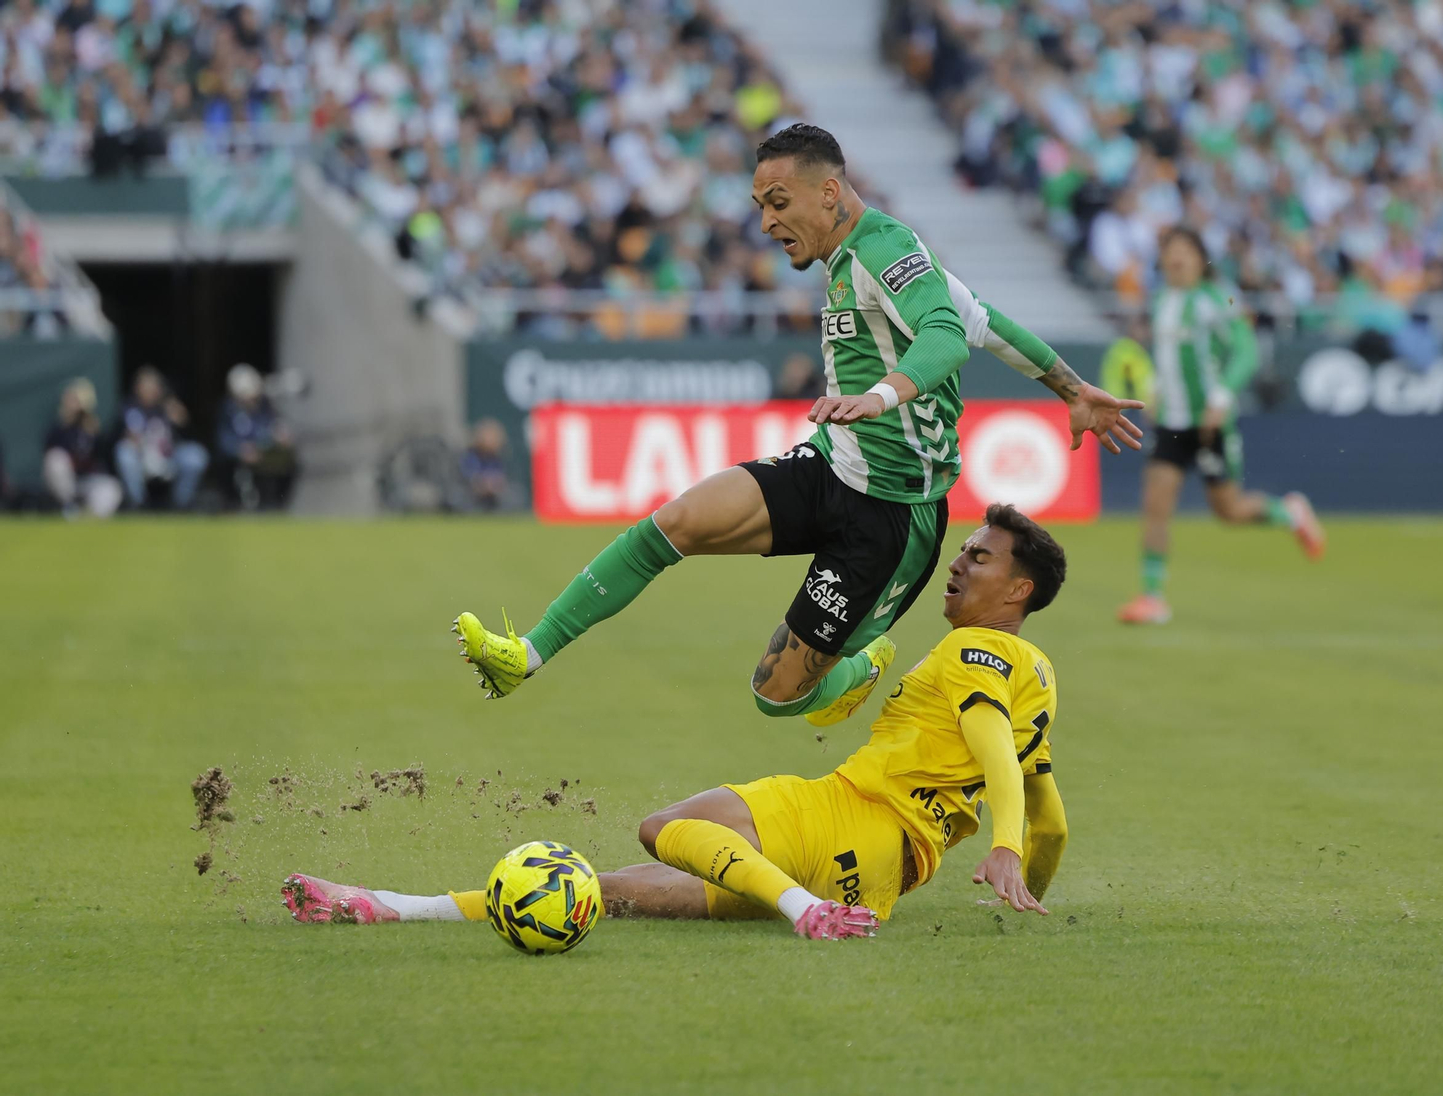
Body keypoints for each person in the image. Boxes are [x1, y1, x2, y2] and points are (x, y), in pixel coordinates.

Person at [454, 124, 1141, 731]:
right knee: (674, 523)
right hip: (830, 465)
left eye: (778, 204)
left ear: (831, 193)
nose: (765, 223)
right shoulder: (851, 259)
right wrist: (1071, 387)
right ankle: (527, 654)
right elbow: (983, 318)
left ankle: (859, 665)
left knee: (776, 696)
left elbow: (948, 337)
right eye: (759, 207)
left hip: (893, 517)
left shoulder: (887, 250)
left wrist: (881, 395)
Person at [285, 505, 1068, 941]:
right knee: (609, 893)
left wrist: (1000, 847)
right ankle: (389, 905)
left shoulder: (977, 653)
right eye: (963, 550)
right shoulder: (1040, 681)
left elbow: (990, 741)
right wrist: (1024, 883)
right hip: (882, 874)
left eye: (979, 558)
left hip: (845, 817)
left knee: (662, 828)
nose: (958, 563)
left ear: (1017, 591)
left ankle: (804, 911)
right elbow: (1052, 818)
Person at [1118, 228, 1325, 626]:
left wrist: (1222, 397)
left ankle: (1291, 513)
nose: (1177, 258)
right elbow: (1164, 356)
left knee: (1228, 511)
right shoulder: (1161, 301)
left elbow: (1245, 352)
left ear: (1199, 258)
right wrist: (1155, 389)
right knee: (1155, 507)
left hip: (1211, 424)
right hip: (1172, 423)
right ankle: (1152, 597)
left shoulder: (1214, 301)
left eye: (1185, 251)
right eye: (1170, 252)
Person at [115, 366, 209, 511]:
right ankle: (138, 505)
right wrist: (126, 436)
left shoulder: (167, 407)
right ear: (137, 387)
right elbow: (113, 438)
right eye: (147, 386)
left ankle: (180, 505)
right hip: (141, 458)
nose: (151, 390)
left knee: (196, 455)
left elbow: (190, 436)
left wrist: (184, 423)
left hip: (167, 458)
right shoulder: (128, 407)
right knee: (124, 452)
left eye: (154, 386)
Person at [216, 364, 298, 511]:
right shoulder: (228, 410)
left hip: (263, 453)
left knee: (289, 463)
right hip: (240, 459)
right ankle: (236, 503)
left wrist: (279, 435)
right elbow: (223, 439)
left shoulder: (264, 407)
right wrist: (239, 450)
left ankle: (277, 504)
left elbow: (271, 426)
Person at [41, 377, 122, 519]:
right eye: (71, 400)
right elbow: (49, 448)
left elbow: (104, 456)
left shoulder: (92, 426)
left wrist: (95, 434)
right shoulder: (59, 427)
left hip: (88, 480)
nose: (74, 405)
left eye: (77, 401)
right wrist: (67, 424)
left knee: (113, 488)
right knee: (55, 459)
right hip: (68, 482)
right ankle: (69, 506)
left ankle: (89, 515)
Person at [460, 418, 512, 511]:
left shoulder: (497, 458)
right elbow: (468, 477)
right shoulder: (471, 455)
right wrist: (482, 484)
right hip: (472, 497)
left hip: (494, 497)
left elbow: (501, 479)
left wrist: (495, 484)